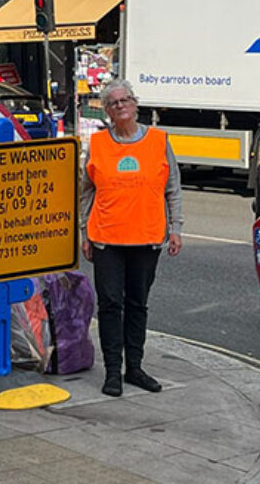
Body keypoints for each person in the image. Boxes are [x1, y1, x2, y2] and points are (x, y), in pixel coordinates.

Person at [79, 78, 183, 397]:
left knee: (138, 304)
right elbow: (86, 191)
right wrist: (85, 231)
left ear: (135, 104)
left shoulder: (158, 140)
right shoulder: (97, 144)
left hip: (147, 237)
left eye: (125, 100)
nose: (120, 106)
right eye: (113, 103)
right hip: (107, 239)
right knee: (111, 304)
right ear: (106, 110)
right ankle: (113, 372)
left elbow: (173, 188)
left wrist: (175, 228)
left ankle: (134, 368)